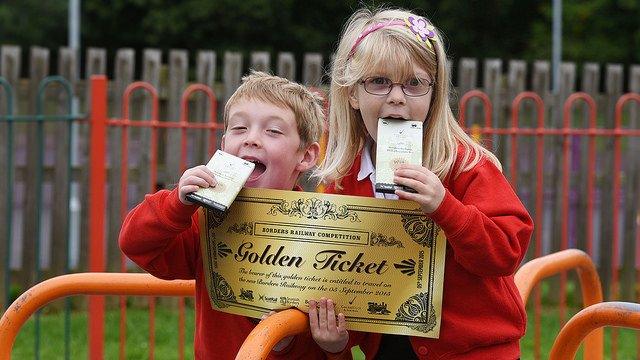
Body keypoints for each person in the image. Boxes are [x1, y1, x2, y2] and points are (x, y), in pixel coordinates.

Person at [314, 7, 534, 359]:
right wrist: (338, 341)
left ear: (434, 95)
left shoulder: (464, 165)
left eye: (414, 83)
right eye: (379, 82)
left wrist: (444, 206)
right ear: (352, 95)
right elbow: (342, 276)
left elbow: (507, 251)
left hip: (473, 351)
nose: (397, 97)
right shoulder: (342, 182)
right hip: (389, 348)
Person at [119, 71, 341, 359]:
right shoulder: (205, 220)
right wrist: (178, 203)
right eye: (239, 129)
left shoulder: (327, 229)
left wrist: (334, 345)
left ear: (306, 156)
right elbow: (135, 244)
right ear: (224, 145)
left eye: (272, 131)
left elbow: (345, 339)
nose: (252, 139)